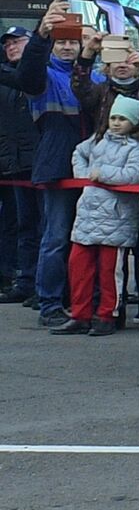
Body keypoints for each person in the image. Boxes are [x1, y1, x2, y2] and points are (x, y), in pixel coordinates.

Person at [17, 0, 92, 328]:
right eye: (60, 42)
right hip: (57, 165)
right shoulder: (42, 75)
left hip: (91, 167)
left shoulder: (94, 75)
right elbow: (28, 72)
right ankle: (49, 303)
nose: (66, 48)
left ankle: (79, 302)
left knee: (88, 239)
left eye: (71, 43)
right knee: (56, 237)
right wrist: (41, 34)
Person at [52, 95, 139, 336]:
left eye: (123, 119)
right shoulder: (97, 141)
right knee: (79, 268)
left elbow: (133, 175)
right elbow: (78, 153)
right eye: (114, 117)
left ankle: (107, 315)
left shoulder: (137, 149)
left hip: (117, 218)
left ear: (134, 123)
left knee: (109, 272)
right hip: (87, 214)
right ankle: (80, 314)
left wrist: (101, 173)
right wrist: (84, 176)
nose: (116, 122)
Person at [0, 27, 40, 305]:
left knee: (44, 226)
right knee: (21, 225)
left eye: (18, 42)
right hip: (12, 166)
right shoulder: (4, 80)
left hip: (39, 164)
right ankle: (24, 281)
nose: (12, 47)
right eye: (8, 44)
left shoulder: (40, 77)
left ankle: (42, 283)